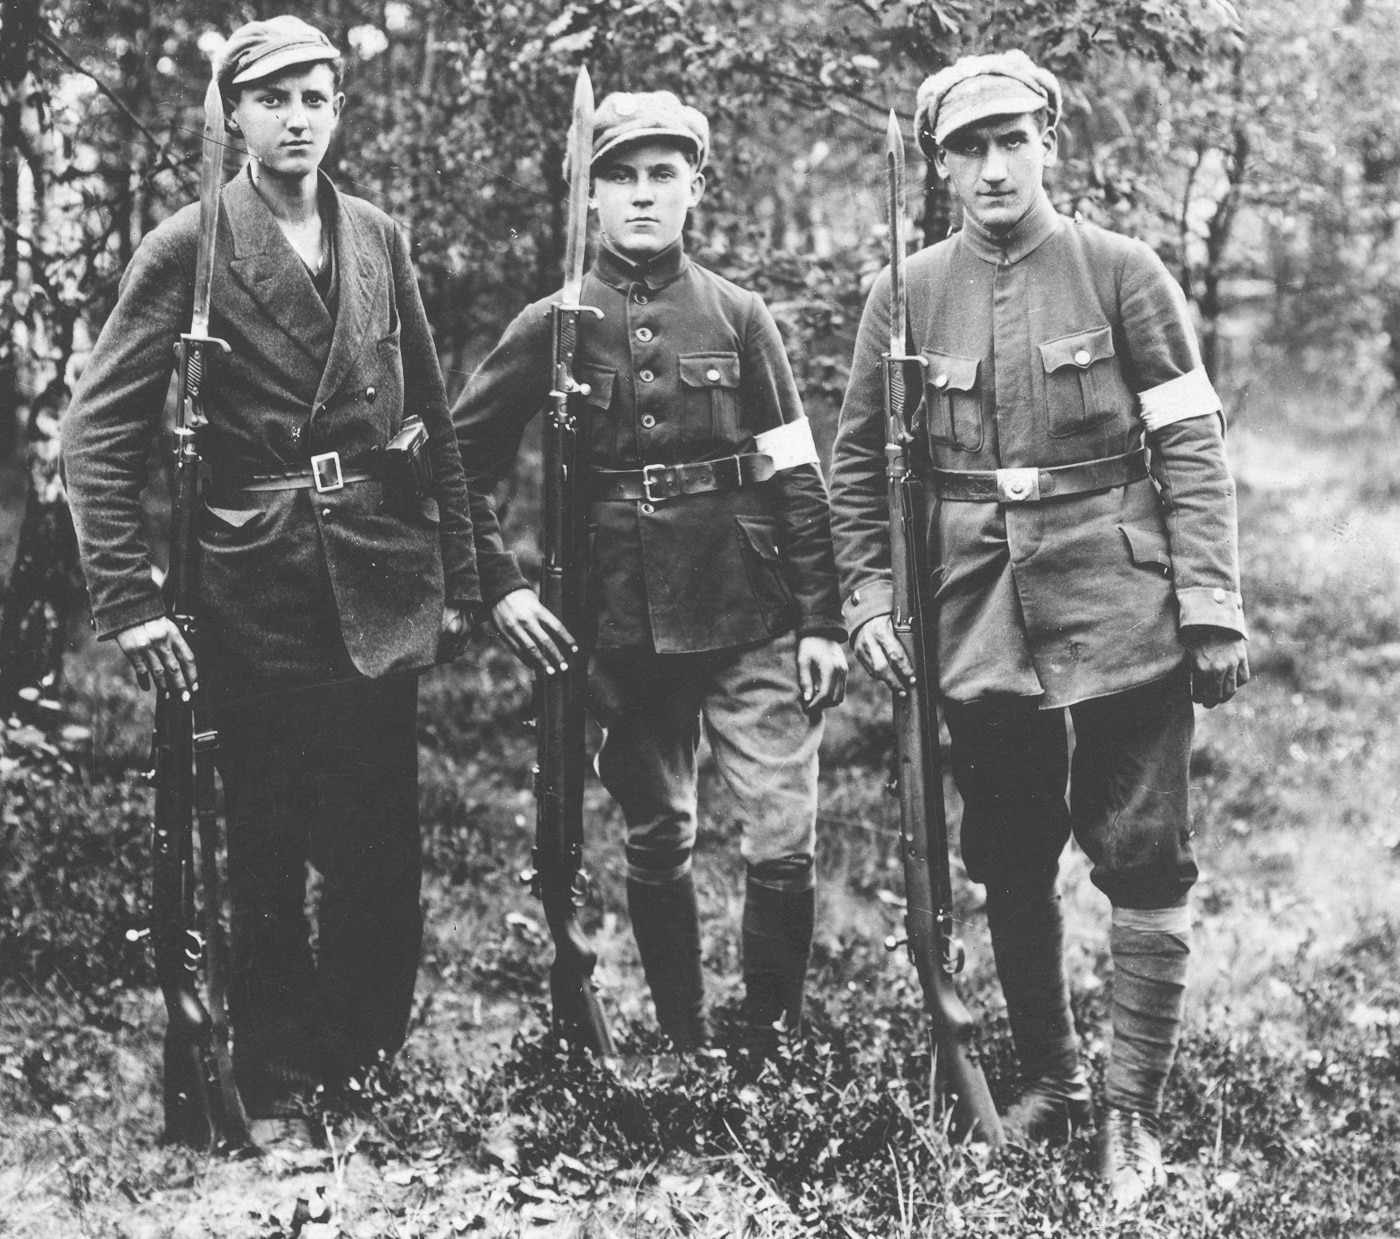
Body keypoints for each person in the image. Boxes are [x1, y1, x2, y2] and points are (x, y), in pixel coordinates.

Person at [829, 51, 1248, 1210]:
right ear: (939, 165)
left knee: (1140, 853)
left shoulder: (1122, 272)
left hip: (1121, 607)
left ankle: (1130, 1118)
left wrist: (1208, 605)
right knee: (1007, 855)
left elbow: (1189, 447)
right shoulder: (904, 292)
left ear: (1048, 142)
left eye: (1011, 139)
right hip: (972, 620)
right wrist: (867, 599)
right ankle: (1056, 1079)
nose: (991, 165)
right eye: (966, 147)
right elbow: (857, 465)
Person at [61, 16, 478, 1147]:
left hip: (380, 570)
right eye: (275, 98)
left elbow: (433, 417)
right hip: (255, 583)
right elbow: (93, 441)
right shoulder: (188, 247)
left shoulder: (378, 236)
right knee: (265, 837)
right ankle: (276, 1062)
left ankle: (364, 1057)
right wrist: (132, 604)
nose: (299, 119)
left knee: (379, 839)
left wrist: (467, 574)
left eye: (318, 97)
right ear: (233, 115)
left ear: (340, 111)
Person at [453, 91, 848, 1056]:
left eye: (661, 174)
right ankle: (687, 1037)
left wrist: (822, 619)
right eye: (620, 176)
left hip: (746, 605)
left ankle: (768, 1043)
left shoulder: (739, 316)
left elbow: (796, 470)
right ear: (588, 197)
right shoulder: (549, 325)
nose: (641, 195)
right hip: (617, 622)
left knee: (780, 831)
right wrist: (500, 585)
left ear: (694, 189)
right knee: (658, 829)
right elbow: (458, 465)